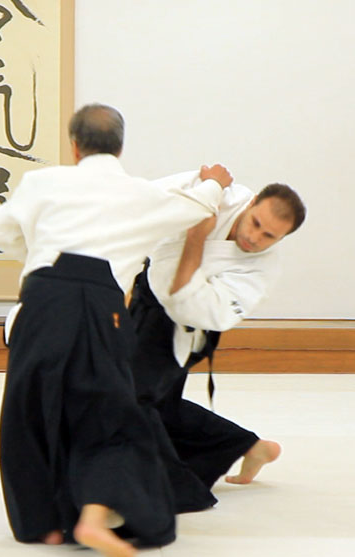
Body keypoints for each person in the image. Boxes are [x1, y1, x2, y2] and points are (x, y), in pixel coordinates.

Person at [0, 103, 234, 557]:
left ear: (74, 145)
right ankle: (96, 514)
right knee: (110, 413)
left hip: (41, 298)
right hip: (101, 308)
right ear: (121, 147)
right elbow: (199, 205)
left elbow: (2, 232)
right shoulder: (138, 194)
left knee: (29, 409)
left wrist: (38, 252)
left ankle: (41, 523)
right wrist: (214, 181)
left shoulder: (42, 182)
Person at [129, 172, 306, 513]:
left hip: (184, 324)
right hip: (147, 296)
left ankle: (176, 491)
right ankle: (249, 446)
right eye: (255, 223)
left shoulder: (260, 272)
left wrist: (197, 235)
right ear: (251, 201)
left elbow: (189, 304)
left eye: (269, 236)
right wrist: (207, 186)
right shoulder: (222, 195)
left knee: (135, 400)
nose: (255, 238)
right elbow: (148, 200)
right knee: (155, 403)